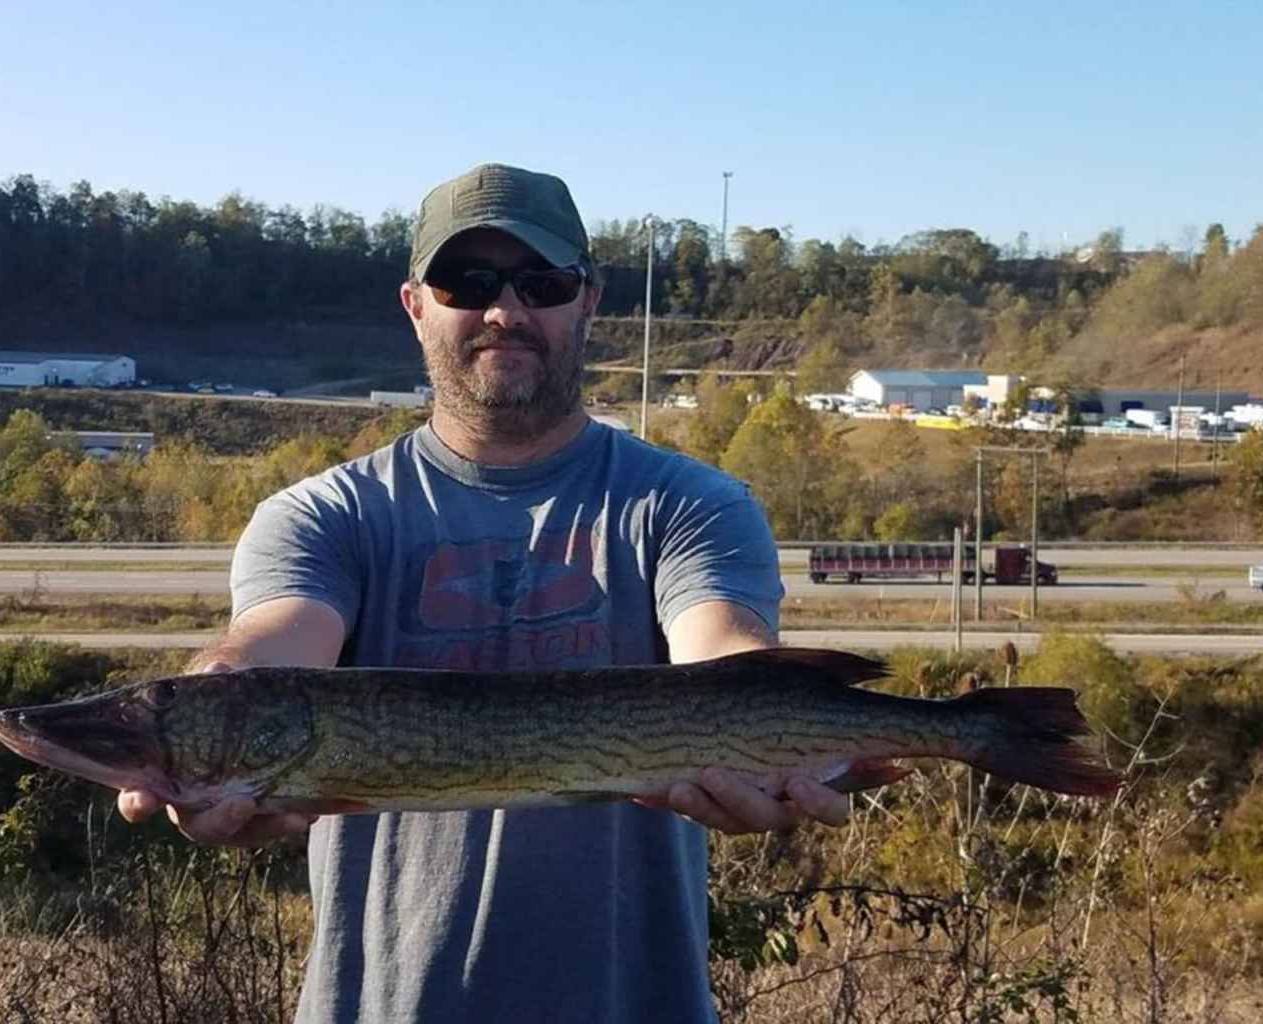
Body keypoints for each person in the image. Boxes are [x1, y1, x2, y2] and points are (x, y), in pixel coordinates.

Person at [118, 163, 852, 1023]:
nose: (506, 310)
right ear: (415, 304)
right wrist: (208, 705)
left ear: (588, 302)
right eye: (467, 282)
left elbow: (723, 650)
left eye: (541, 282)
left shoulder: (691, 505)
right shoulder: (324, 515)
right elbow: (273, 646)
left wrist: (795, 746)